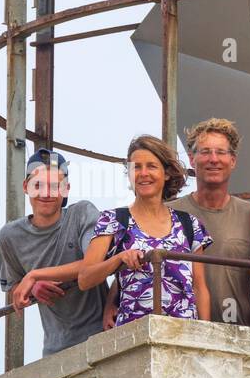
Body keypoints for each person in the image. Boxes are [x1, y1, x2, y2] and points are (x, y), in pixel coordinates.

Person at [79, 134, 211, 323]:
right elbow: (85, 279)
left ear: (166, 173)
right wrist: (119, 258)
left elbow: (199, 287)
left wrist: (204, 334)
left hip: (184, 336)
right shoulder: (113, 219)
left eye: (151, 166)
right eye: (136, 167)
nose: (143, 173)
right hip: (134, 339)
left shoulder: (190, 224)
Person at [0, 148, 105, 355]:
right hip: (55, 350)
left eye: (55, 186)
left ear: (66, 189)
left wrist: (35, 275)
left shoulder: (81, 214)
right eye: (38, 185)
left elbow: (93, 264)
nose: (46, 193)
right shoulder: (9, 237)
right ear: (26, 186)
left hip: (102, 337)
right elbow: (14, 285)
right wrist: (33, 287)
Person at [170, 118, 250, 326]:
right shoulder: (169, 212)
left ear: (233, 160)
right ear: (192, 159)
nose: (213, 159)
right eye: (205, 152)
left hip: (238, 333)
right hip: (179, 331)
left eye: (221, 152)